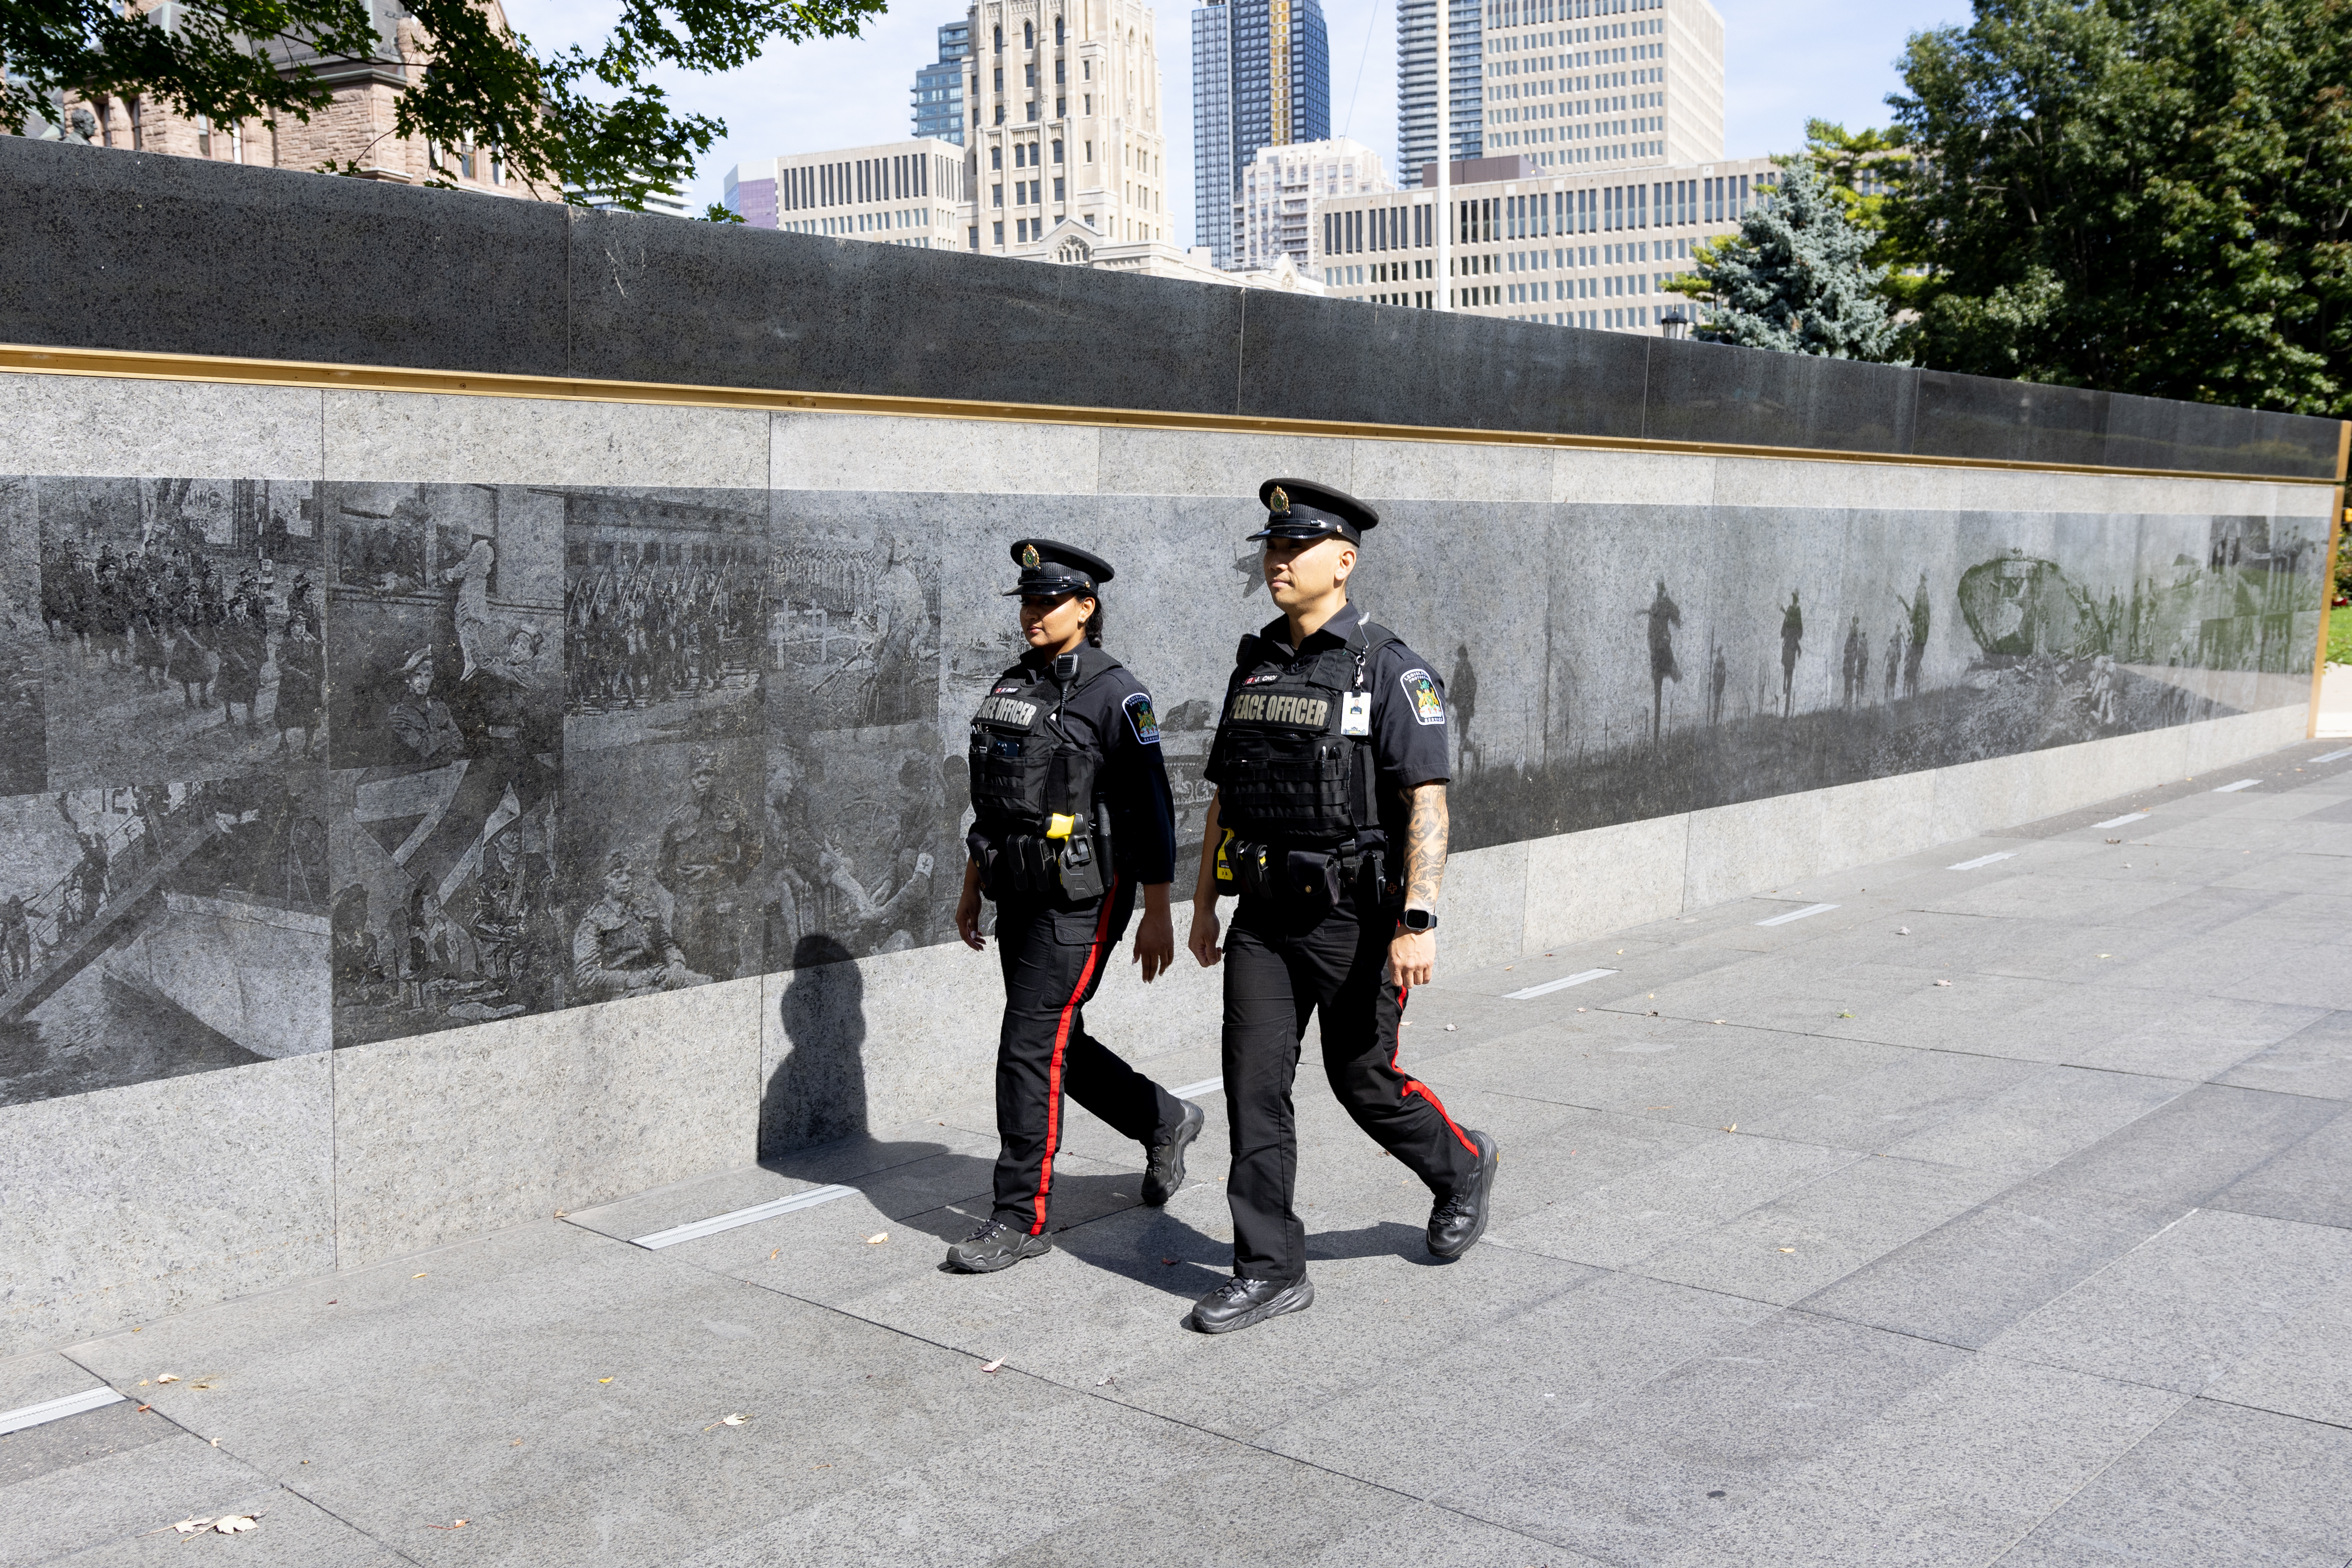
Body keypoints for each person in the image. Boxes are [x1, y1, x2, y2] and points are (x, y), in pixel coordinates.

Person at [1182, 479, 1500, 1336]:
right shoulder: (1255, 667)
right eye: (1270, 549)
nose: (1276, 562)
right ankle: (1270, 1269)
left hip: (1356, 919)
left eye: (1295, 549)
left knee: (1362, 1080)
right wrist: (1204, 903)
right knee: (1254, 1090)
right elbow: (1226, 799)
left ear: (1344, 561)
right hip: (1263, 918)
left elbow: (1427, 805)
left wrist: (1418, 920)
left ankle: (1461, 1165)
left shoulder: (1392, 669)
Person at [944, 540, 1204, 1274]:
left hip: (1085, 898)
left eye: (1047, 601)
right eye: (1026, 601)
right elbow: (993, 800)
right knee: (1055, 1039)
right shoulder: (1013, 684)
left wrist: (1160, 910)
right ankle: (1165, 1118)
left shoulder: (1117, 694)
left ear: (1086, 608)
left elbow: (1154, 813)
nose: (1032, 613)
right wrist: (972, 884)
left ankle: (1018, 1217)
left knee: (1029, 1045)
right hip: (1017, 886)